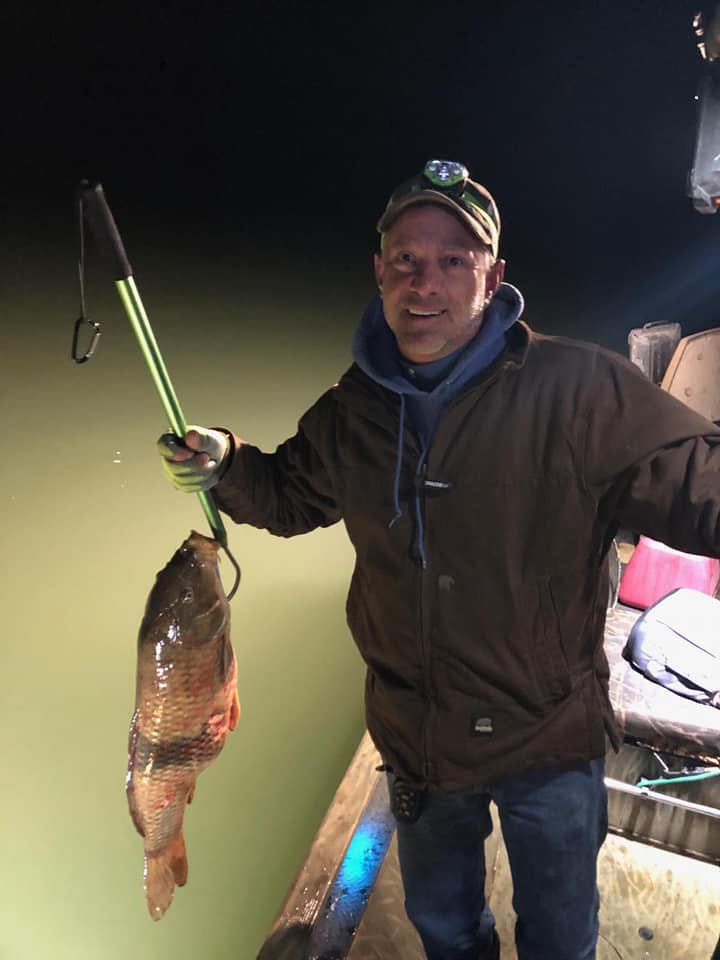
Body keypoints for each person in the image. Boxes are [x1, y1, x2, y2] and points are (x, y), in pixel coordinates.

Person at [158, 159, 720, 960]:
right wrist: (224, 461)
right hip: (418, 737)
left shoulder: (582, 390)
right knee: (446, 928)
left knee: (562, 938)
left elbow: (699, 483)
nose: (426, 282)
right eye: (407, 259)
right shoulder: (355, 407)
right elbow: (287, 497)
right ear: (379, 271)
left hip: (547, 739)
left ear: (493, 278)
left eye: (454, 260)